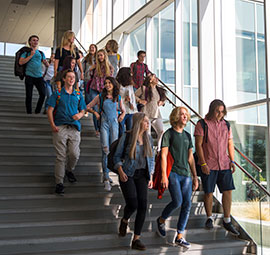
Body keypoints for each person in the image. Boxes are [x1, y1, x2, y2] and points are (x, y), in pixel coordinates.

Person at [194, 99, 239, 236]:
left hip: (224, 164)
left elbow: (230, 144)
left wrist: (232, 160)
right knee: (208, 192)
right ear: (212, 110)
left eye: (222, 111)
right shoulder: (202, 124)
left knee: (228, 191)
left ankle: (226, 219)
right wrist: (202, 164)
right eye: (217, 111)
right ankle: (209, 218)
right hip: (209, 163)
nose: (220, 114)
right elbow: (198, 146)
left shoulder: (227, 125)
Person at [156, 107, 199, 249]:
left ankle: (180, 236)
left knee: (187, 204)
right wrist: (164, 175)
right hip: (173, 173)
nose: (185, 116)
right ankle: (161, 220)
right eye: (182, 114)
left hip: (186, 174)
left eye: (186, 114)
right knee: (178, 201)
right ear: (176, 116)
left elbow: (190, 157)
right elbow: (163, 155)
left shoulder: (187, 136)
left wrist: (195, 176)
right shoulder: (168, 134)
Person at [114, 112, 155, 251]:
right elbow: (117, 156)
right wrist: (120, 171)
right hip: (128, 174)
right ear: (138, 123)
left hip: (143, 175)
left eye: (148, 121)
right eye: (145, 121)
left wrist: (151, 175)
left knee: (143, 206)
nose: (148, 123)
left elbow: (152, 159)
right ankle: (125, 220)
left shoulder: (149, 139)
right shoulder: (127, 137)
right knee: (133, 203)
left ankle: (136, 239)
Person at [47, 69, 86, 195]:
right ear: (64, 79)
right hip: (60, 127)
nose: (71, 79)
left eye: (73, 77)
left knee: (74, 154)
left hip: (74, 128)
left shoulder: (78, 94)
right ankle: (59, 183)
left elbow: (83, 110)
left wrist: (79, 115)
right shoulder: (57, 93)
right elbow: (49, 109)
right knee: (61, 156)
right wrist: (52, 125)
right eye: (69, 77)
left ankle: (69, 170)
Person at [87, 77, 125, 191]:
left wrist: (122, 116)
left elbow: (124, 110)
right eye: (106, 83)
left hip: (114, 125)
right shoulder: (100, 97)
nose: (107, 85)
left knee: (113, 149)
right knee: (105, 150)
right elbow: (88, 106)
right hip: (104, 124)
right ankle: (106, 177)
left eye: (109, 83)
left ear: (113, 84)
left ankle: (113, 172)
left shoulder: (118, 97)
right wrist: (95, 113)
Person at [135, 73, 166, 150]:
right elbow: (134, 95)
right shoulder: (144, 88)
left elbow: (163, 100)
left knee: (161, 131)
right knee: (147, 134)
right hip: (146, 114)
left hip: (156, 114)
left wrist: (162, 102)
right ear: (150, 79)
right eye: (154, 77)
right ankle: (148, 150)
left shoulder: (159, 89)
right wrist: (140, 100)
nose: (157, 79)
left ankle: (158, 149)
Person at [19, 35, 49, 114]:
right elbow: (21, 62)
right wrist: (31, 55)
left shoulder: (41, 53)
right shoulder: (26, 52)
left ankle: (37, 111)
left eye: (36, 40)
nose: (35, 42)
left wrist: (46, 63)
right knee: (29, 95)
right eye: (33, 40)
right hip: (29, 76)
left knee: (43, 94)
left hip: (39, 76)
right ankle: (29, 112)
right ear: (30, 42)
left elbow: (46, 64)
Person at [88, 49, 114, 137]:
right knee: (95, 109)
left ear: (105, 56)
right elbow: (90, 75)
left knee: (104, 109)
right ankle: (97, 129)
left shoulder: (109, 67)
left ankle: (105, 127)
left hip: (104, 91)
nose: (100, 57)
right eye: (98, 55)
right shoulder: (95, 66)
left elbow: (111, 80)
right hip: (94, 89)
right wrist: (91, 69)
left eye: (101, 55)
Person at [116, 67, 137, 137]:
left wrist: (132, 105)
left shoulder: (130, 85)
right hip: (121, 110)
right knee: (121, 130)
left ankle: (128, 145)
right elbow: (116, 97)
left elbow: (133, 97)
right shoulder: (118, 85)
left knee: (130, 130)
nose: (131, 75)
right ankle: (120, 145)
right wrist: (124, 99)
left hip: (130, 110)